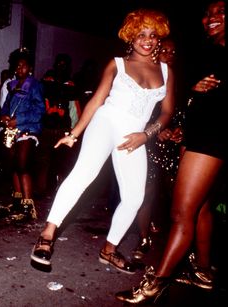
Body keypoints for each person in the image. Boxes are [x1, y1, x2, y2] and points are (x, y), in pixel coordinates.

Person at [30, 9, 174, 274]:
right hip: (106, 122)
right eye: (141, 34)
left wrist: (146, 135)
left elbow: (166, 112)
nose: (147, 39)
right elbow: (96, 101)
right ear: (131, 37)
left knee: (134, 197)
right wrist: (74, 134)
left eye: (153, 35)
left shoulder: (165, 70)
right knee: (84, 174)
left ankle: (109, 249)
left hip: (135, 135)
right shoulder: (117, 64)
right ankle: (47, 236)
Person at [116, 0, 225, 303]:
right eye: (208, 13)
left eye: (220, 12)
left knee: (180, 213)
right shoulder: (212, 50)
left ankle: (155, 284)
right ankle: (203, 270)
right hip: (198, 136)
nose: (210, 18)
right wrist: (195, 92)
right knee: (201, 208)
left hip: (212, 140)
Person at [133, 37, 184, 260]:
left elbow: (183, 111)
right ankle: (143, 238)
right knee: (146, 193)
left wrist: (181, 131)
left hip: (175, 147)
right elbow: (137, 112)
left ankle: (177, 243)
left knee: (177, 195)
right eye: (165, 50)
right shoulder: (148, 74)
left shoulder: (178, 79)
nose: (169, 55)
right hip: (149, 142)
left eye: (173, 52)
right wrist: (156, 131)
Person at [0, 49, 45, 222]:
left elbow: (40, 111)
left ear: (30, 68)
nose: (19, 69)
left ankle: (28, 207)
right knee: (13, 165)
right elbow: (5, 106)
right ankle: (17, 203)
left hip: (28, 129)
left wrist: (18, 121)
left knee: (23, 164)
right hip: (12, 131)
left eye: (23, 66)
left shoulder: (35, 85)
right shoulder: (11, 86)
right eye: (17, 66)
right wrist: (4, 116)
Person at [35, 53, 80, 198]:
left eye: (64, 64)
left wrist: (74, 131)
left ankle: (59, 194)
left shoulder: (71, 85)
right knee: (44, 163)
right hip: (47, 128)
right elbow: (39, 103)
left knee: (61, 163)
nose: (61, 67)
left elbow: (74, 109)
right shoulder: (45, 82)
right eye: (59, 64)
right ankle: (42, 192)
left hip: (63, 130)